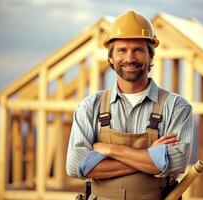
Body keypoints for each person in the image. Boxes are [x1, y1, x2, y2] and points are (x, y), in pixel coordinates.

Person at [66, 10, 193, 200]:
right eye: (122, 50)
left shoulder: (177, 107)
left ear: (151, 57)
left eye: (138, 50)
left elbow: (176, 162)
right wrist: (151, 157)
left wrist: (110, 150)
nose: (130, 58)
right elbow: (76, 166)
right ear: (111, 57)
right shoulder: (89, 107)